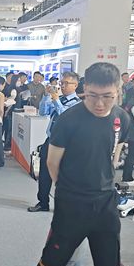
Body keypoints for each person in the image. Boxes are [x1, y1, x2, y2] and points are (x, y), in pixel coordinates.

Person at [28, 62, 133, 266]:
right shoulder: (69, 120)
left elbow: (113, 154)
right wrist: (70, 192)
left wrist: (103, 181)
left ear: (118, 92)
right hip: (72, 203)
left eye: (107, 97)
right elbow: (52, 163)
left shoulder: (121, 118)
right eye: (93, 95)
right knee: (53, 258)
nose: (100, 103)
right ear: (84, 90)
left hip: (106, 203)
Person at [28, 71, 81, 212]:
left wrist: (56, 100)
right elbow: (43, 112)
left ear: (75, 85)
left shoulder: (78, 104)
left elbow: (65, 118)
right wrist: (47, 96)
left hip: (66, 144)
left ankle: (64, 205)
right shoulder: (59, 98)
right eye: (61, 83)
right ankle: (43, 202)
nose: (62, 86)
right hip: (50, 140)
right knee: (44, 173)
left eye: (66, 83)